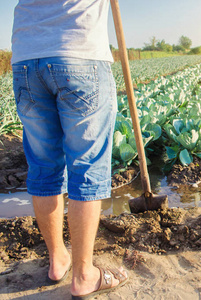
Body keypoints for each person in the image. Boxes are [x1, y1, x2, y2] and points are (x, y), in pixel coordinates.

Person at [11, 0, 128, 298]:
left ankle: (58, 259)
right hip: (79, 52)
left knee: (43, 164)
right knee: (87, 165)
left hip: (26, 57)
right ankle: (84, 275)